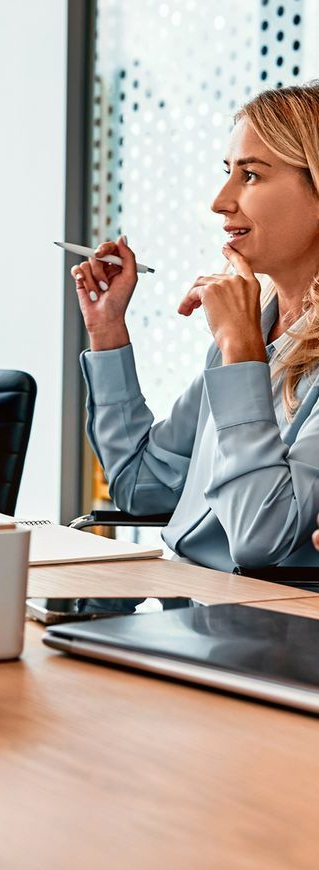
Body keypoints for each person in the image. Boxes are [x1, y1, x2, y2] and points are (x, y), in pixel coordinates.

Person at [74, 84, 319, 572]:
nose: (220, 201)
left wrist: (242, 351)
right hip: (188, 599)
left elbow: (260, 537)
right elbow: (142, 484)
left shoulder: (243, 340)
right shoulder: (256, 330)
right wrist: (108, 333)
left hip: (260, 625)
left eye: (249, 175)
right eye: (228, 174)